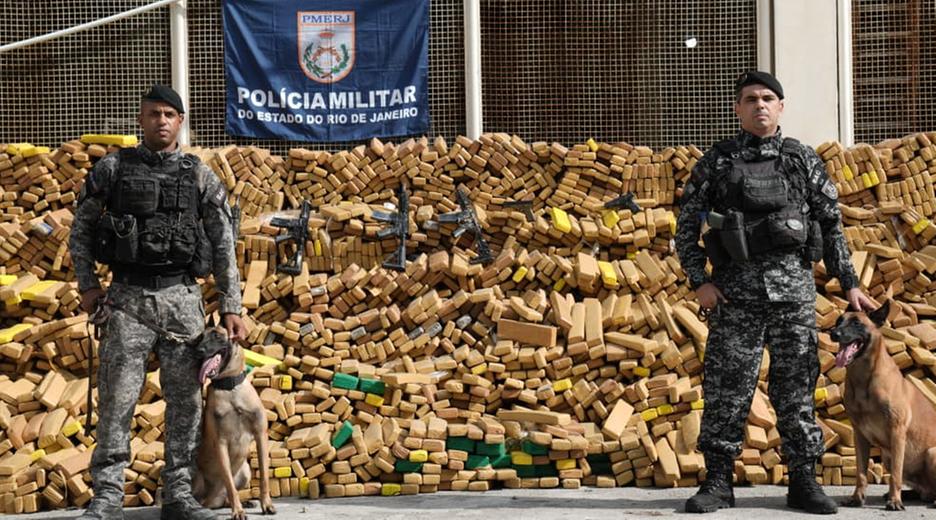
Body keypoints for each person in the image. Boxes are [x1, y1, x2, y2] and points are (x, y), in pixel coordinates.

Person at [675, 71, 875, 515]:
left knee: (797, 392)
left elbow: (830, 224)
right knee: (727, 392)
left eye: (768, 98)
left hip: (793, 299)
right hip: (735, 297)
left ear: (781, 106)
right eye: (750, 99)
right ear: (737, 108)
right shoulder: (718, 162)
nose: (759, 105)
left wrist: (851, 284)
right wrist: (699, 281)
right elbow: (686, 225)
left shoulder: (801, 159)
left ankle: (803, 482)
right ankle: (718, 483)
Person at [69, 84, 247, 520]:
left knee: (186, 404)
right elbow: (82, 230)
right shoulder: (112, 170)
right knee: (117, 400)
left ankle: (180, 495)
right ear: (141, 119)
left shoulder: (200, 176)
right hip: (127, 299)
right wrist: (88, 285)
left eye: (169, 114)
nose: (161, 121)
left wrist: (232, 306)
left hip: (182, 302)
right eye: (153, 114)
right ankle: (108, 495)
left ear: (180, 121)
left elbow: (224, 243)